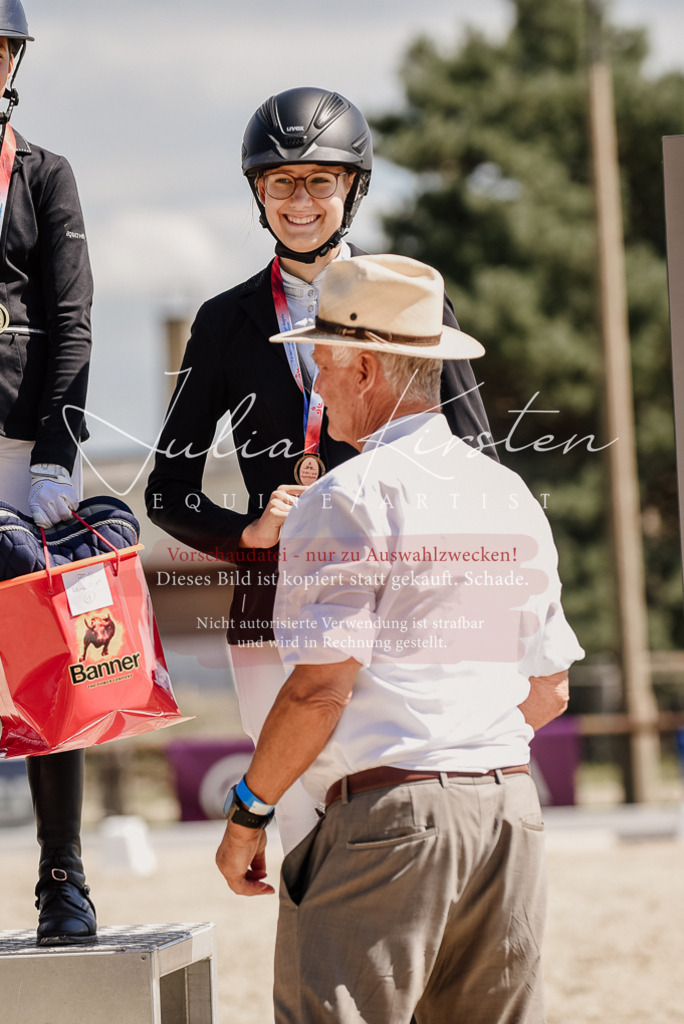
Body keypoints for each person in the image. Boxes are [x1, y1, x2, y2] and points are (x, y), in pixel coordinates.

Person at [215, 254, 584, 1024]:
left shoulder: (345, 497)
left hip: (392, 821)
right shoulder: (507, 492)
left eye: (323, 362)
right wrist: (459, 747)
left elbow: (320, 689)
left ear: (368, 370)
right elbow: (549, 688)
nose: (316, 384)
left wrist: (250, 810)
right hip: (509, 807)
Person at [146, 86, 496, 854]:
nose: (298, 201)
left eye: (319, 180)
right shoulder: (222, 321)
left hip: (395, 602)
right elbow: (168, 491)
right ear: (257, 194)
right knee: (301, 824)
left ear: (354, 188)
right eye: (280, 182)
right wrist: (249, 533)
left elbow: (479, 458)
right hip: (270, 607)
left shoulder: (412, 301)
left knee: (387, 817)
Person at [0, 0, 96, 943]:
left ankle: (61, 875)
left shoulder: (44, 175)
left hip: (20, 449)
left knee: (44, 660)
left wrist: (58, 457)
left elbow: (71, 320)